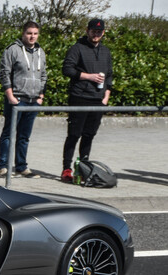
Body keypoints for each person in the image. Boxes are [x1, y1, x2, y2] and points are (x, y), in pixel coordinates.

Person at [60, 18, 113, 183]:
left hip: (98, 100)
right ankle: (67, 169)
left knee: (89, 135)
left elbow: (109, 75)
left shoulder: (105, 52)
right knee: (74, 135)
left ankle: (83, 167)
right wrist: (89, 76)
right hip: (79, 97)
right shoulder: (77, 48)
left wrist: (106, 96)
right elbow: (67, 69)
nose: (96, 34)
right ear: (87, 31)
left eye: (99, 32)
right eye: (93, 31)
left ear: (103, 33)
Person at [0, 21, 47, 179]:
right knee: (8, 133)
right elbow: (4, 73)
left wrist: (41, 96)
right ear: (23, 33)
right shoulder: (13, 50)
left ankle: (21, 166)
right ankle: (3, 166)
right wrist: (10, 95)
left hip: (33, 100)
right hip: (17, 98)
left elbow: (44, 75)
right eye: (29, 33)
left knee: (24, 136)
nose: (32, 36)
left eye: (35, 33)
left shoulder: (41, 52)